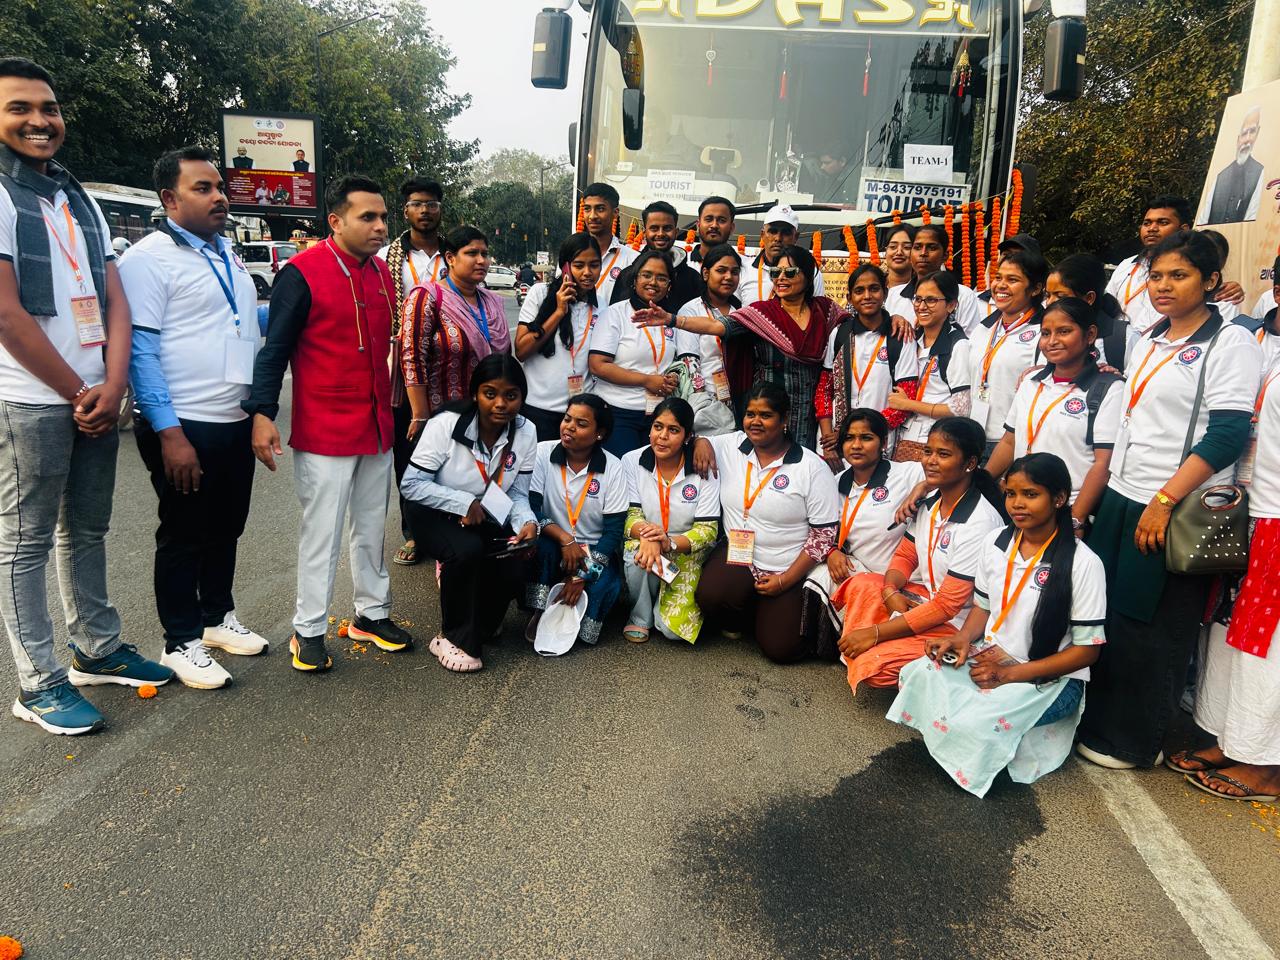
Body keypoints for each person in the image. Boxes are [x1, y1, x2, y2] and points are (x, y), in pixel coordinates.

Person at [0, 57, 171, 734]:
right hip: (31, 399)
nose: (39, 121)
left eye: (48, 107)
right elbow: (7, 314)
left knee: (88, 529)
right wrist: (81, 391)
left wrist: (114, 382)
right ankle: (38, 682)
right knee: (26, 542)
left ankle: (96, 649)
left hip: (94, 394)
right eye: (19, 108)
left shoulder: (78, 198)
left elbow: (115, 299)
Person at [1078, 230, 1262, 770]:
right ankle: (1096, 722)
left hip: (1174, 504)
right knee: (1108, 614)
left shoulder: (1230, 344)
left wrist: (1164, 499)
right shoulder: (1150, 337)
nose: (1163, 286)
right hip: (1124, 492)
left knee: (1153, 626)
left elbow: (1227, 434)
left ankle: (1136, 740)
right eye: (1156, 275)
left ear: (1210, 281)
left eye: (1178, 275)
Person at [244, 175, 414, 672]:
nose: (381, 226)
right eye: (368, 217)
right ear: (335, 221)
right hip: (325, 429)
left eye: (383, 217)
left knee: (372, 527)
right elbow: (275, 349)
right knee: (322, 532)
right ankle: (309, 630)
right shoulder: (301, 273)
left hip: (376, 424)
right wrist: (262, 413)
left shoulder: (382, 274)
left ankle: (371, 614)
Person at [119, 146, 268, 690]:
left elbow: (234, 319)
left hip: (234, 417)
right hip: (184, 422)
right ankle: (180, 640)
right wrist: (169, 433)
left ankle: (215, 617)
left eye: (219, 187)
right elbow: (140, 351)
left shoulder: (226, 252)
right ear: (169, 199)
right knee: (184, 532)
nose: (219, 197)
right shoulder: (148, 260)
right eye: (202, 188)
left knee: (227, 525)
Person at [892, 453, 1106, 797]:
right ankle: (983, 731)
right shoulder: (996, 543)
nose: (1017, 504)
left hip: (1049, 679)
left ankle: (993, 735)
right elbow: (983, 607)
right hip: (993, 656)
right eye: (1011, 494)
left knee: (975, 721)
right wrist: (963, 639)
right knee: (918, 673)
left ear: (1059, 499)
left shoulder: (1084, 563)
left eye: (1030, 494)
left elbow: (1087, 652)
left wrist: (1008, 675)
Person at [1167, 345, 1280, 802]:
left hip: (1278, 522)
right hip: (1255, 514)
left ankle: (1266, 764)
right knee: (1230, 635)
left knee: (1268, 650)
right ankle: (1233, 740)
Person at [834, 417, 1005, 693]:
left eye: (943, 454)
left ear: (970, 463)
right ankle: (884, 644)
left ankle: (894, 651)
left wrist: (875, 633)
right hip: (926, 600)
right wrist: (889, 590)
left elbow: (948, 605)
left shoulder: (980, 522)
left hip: (959, 624)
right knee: (863, 583)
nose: (930, 461)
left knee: (875, 668)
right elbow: (905, 556)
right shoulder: (930, 504)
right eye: (928, 451)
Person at [400, 355, 539, 672]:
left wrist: (527, 523)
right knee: (467, 550)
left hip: (487, 508)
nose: (501, 404)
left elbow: (517, 493)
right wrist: (462, 502)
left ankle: (483, 623)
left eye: (511, 395)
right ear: (475, 393)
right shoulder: (446, 424)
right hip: (431, 508)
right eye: (490, 393)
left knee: (519, 554)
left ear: (522, 397)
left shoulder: (526, 431)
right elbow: (411, 485)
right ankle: (451, 637)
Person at [693, 384, 840, 663]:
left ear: (784, 419)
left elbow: (823, 535)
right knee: (711, 596)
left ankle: (775, 612)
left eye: (766, 415)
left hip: (788, 564)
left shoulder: (811, 467)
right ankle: (753, 612)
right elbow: (698, 436)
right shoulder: (732, 445)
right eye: (750, 414)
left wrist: (785, 580)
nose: (755, 422)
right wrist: (701, 441)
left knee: (781, 649)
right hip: (740, 555)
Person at [649, 244, 843, 448]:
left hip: (811, 413)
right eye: (776, 272)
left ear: (808, 276)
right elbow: (716, 326)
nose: (781, 278)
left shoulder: (825, 311)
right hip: (766, 409)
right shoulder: (762, 313)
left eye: (790, 272)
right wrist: (673, 319)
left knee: (804, 463)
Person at [984, 297, 1121, 528]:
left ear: (1090, 335)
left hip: (1065, 510)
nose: (1052, 341)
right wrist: (982, 484)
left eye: (1064, 331)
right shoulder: (1030, 381)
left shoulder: (1109, 388)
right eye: (1046, 333)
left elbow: (1103, 463)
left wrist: (1076, 519)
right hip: (1019, 505)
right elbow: (1009, 441)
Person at [804, 409, 924, 636]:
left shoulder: (907, 474)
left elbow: (954, 473)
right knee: (819, 575)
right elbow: (819, 529)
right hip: (862, 572)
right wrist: (831, 551)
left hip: (904, 582)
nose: (856, 445)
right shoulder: (835, 483)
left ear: (883, 442)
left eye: (866, 438)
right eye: (849, 438)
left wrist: (923, 487)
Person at [379, 176, 446, 567]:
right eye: (417, 204)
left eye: (432, 203)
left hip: (448, 364)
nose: (425, 210)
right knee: (407, 450)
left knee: (449, 448)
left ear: (440, 209)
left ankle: (446, 526)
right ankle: (414, 531)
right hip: (404, 367)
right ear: (405, 210)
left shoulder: (454, 254)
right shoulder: (386, 256)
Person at [527, 394, 628, 648]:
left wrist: (583, 574)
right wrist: (565, 539)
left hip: (593, 551)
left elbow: (613, 532)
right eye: (567, 419)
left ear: (599, 434)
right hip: (554, 540)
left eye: (581, 424)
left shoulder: (613, 467)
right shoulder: (543, 452)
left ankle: (574, 616)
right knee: (540, 548)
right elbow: (532, 508)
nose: (569, 427)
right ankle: (539, 610)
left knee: (604, 586)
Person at [620, 398, 720, 643]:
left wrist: (669, 542)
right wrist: (651, 536)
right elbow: (631, 515)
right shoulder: (632, 460)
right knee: (635, 554)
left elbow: (708, 529)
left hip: (686, 550)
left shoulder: (702, 466)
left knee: (671, 631)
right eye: (658, 427)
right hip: (648, 542)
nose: (662, 436)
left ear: (688, 436)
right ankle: (640, 616)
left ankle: (663, 607)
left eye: (673, 430)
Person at [400, 225, 511, 439]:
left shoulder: (492, 301)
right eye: (472, 253)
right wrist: (420, 415)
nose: (481, 260)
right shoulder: (428, 297)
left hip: (488, 417)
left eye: (485, 254)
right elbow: (412, 358)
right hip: (442, 418)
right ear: (450, 258)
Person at [588, 248, 698, 456]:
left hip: (658, 416)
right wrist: (647, 380)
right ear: (634, 279)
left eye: (661, 278)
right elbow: (598, 365)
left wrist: (672, 377)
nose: (653, 282)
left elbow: (669, 362)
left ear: (669, 285)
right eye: (646, 275)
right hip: (618, 412)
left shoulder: (668, 318)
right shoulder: (615, 314)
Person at [815, 263, 919, 465]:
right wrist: (827, 440)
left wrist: (855, 433)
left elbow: (906, 398)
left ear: (885, 293)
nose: (867, 296)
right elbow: (824, 390)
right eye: (859, 291)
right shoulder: (840, 333)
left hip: (877, 442)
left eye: (874, 288)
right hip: (834, 444)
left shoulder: (900, 337)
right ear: (849, 298)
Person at [515, 233, 602, 440]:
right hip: (537, 409)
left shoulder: (602, 306)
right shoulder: (540, 293)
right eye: (579, 265)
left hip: (578, 415)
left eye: (594, 265)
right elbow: (521, 351)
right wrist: (558, 312)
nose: (587, 272)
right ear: (566, 268)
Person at [970, 248, 1049, 455]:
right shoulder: (983, 328)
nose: (1001, 285)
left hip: (1011, 443)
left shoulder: (1045, 333)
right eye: (998, 278)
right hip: (973, 438)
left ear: (1035, 288)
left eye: (1012, 280)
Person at [887, 271, 972, 463]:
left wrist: (908, 404)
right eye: (918, 299)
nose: (922, 306)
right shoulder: (911, 338)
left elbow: (961, 408)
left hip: (936, 440)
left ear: (951, 305)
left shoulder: (958, 345)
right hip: (903, 437)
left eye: (931, 300)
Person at [675, 243, 740, 436]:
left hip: (738, 399)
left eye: (734, 272)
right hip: (705, 402)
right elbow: (689, 363)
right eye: (721, 270)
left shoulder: (742, 311)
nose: (728, 277)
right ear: (705, 274)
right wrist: (702, 402)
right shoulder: (691, 310)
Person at [1105, 196, 1192, 335]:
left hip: (1166, 343)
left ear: (1184, 230)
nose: (1152, 228)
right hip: (1119, 343)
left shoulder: (1193, 269)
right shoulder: (1127, 265)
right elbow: (1108, 306)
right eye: (1147, 223)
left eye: (1163, 222)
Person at [883, 224, 983, 333]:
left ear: (945, 255)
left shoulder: (963, 295)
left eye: (932, 248)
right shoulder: (894, 295)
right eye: (917, 247)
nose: (923, 253)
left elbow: (971, 339)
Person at [1046, 253, 1132, 370]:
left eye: (1060, 296)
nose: (1049, 302)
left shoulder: (1124, 338)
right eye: (1047, 295)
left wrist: (1116, 378)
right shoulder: (1043, 335)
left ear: (1089, 298)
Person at [609, 201, 700, 309]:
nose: (660, 234)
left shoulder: (693, 279)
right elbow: (616, 313)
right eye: (654, 228)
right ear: (644, 232)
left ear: (676, 232)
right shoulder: (628, 275)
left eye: (667, 228)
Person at [737, 204, 826, 303]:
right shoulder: (744, 270)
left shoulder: (810, 272)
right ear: (762, 235)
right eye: (773, 231)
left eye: (786, 233)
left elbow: (817, 309)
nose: (778, 238)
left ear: (796, 237)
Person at [1197, 107, 1264, 225]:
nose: (1247, 139)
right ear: (1238, 139)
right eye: (1244, 133)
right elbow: (1202, 221)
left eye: (1252, 132)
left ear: (1257, 134)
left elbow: (1252, 221)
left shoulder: (1260, 172)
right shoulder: (1220, 177)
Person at [580, 182, 637, 303]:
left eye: (600, 209)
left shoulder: (633, 259)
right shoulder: (571, 255)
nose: (592, 216)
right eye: (587, 209)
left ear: (615, 213)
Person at [688, 196, 735, 266]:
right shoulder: (681, 263)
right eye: (708, 219)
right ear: (698, 225)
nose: (714, 225)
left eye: (722, 220)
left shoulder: (746, 267)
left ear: (731, 227)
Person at [881, 224, 915, 289]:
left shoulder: (923, 289)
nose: (899, 252)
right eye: (893, 247)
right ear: (885, 252)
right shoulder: (874, 285)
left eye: (906, 247)